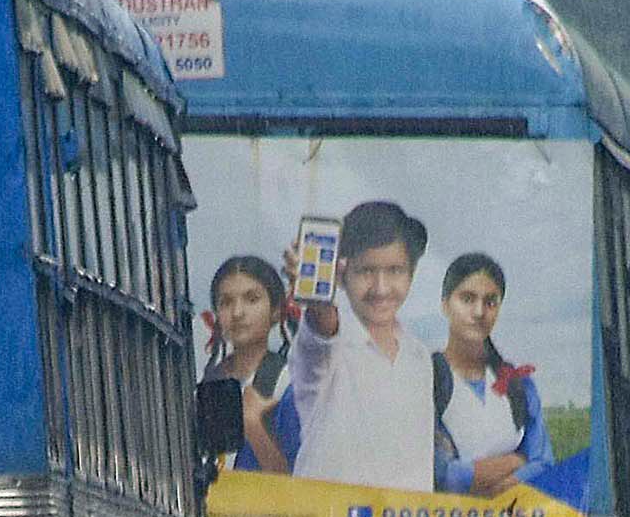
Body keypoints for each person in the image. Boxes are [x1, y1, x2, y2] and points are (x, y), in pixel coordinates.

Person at [277, 199, 438, 492]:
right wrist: (314, 289)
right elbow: (323, 325)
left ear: (411, 274)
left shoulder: (419, 357)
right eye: (366, 271)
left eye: (395, 270)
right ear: (341, 274)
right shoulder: (330, 341)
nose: (381, 288)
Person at [428, 253, 543, 496]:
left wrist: (490, 490)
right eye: (467, 299)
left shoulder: (518, 384)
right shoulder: (428, 379)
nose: (479, 312)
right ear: (445, 304)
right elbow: (445, 477)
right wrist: (516, 462)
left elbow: (543, 464)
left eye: (490, 302)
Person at [192, 252, 291, 490]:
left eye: (252, 299)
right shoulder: (206, 383)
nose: (237, 313)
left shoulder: (288, 382)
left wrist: (253, 425)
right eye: (226, 302)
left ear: (276, 311)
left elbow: (296, 485)